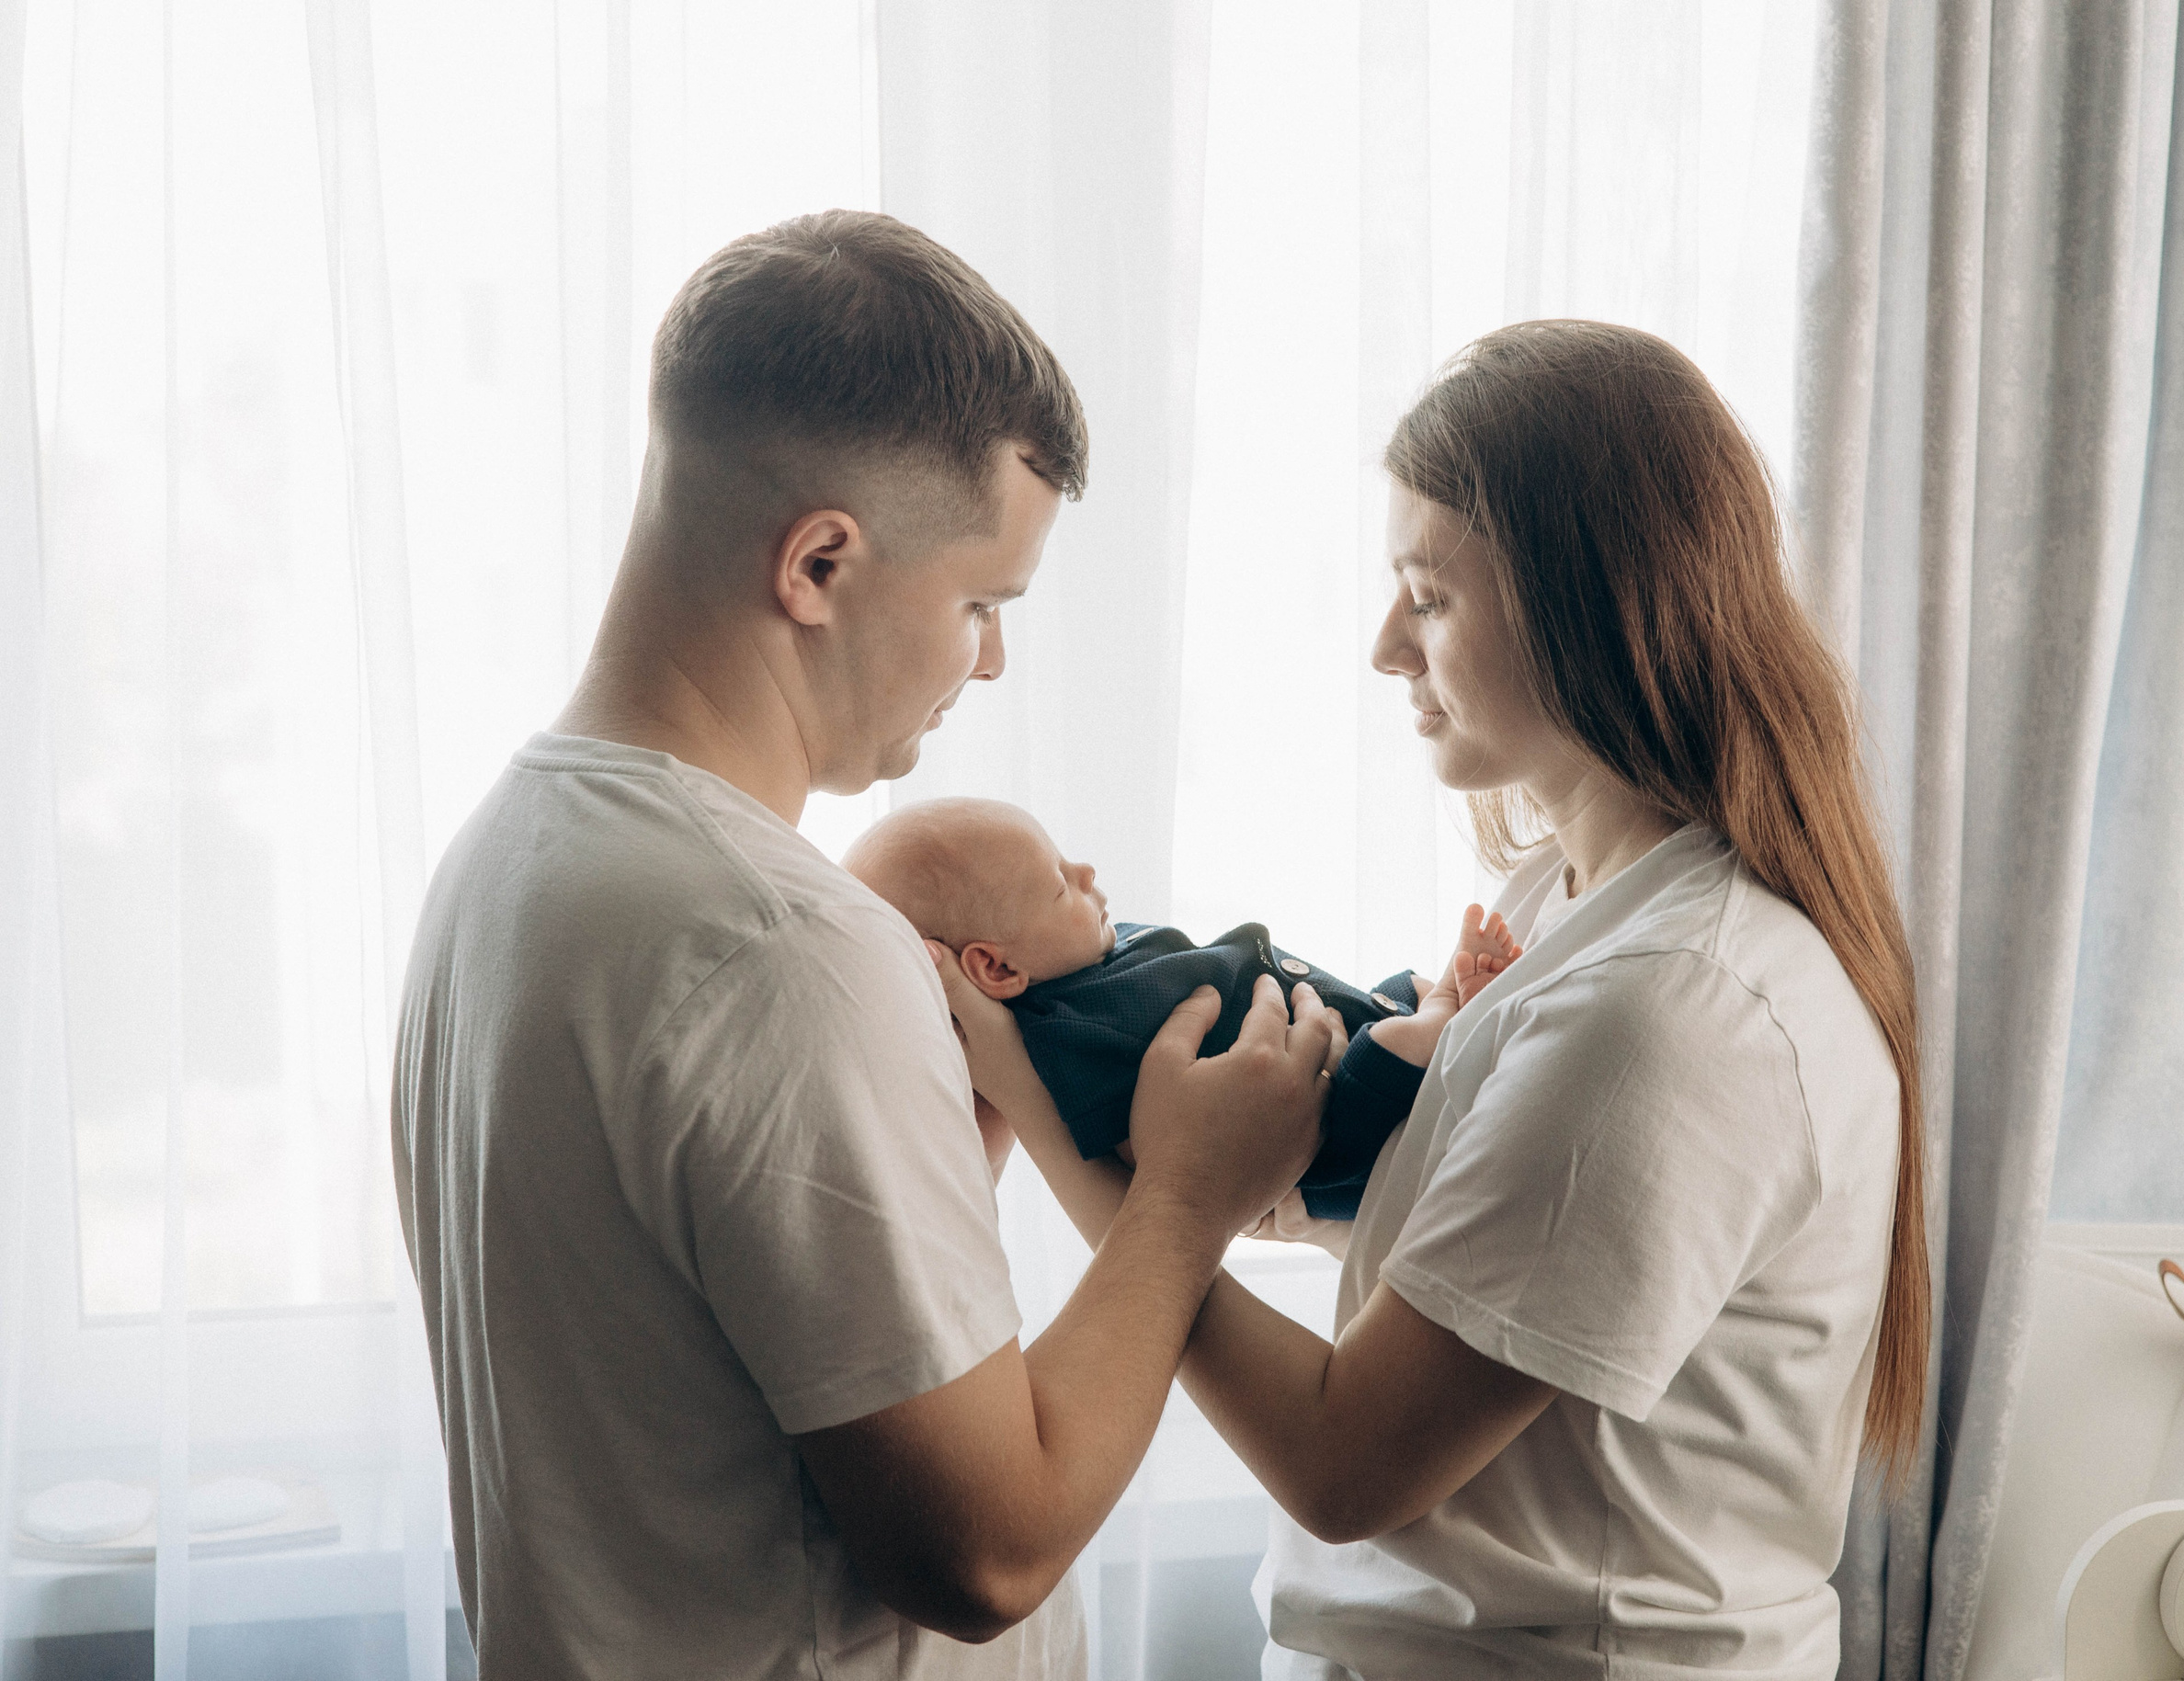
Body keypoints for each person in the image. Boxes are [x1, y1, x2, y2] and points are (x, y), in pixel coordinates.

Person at [391, 210, 1346, 1680]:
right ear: (820, 564)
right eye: (979, 603)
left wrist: (965, 1108)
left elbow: (741, 1336)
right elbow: (985, 1550)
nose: (994, 659)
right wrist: (1187, 1201)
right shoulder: (779, 946)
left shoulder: (511, 856)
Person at [941, 320, 1928, 1678]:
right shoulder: (1562, 906)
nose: (1385, 647)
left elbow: (1347, 1466)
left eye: (1431, 593)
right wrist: (1261, 1158)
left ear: (1596, 602)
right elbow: (1472, 1251)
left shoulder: (1671, 1016)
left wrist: (1129, 1181)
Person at [843, 796, 1521, 1219]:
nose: (1086, 874)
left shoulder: (1088, 957)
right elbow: (1136, 1143)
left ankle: (1438, 1005)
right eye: (1058, 886)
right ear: (995, 967)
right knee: (1398, 1040)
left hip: (1335, 1022)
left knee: (1394, 1001)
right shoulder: (1066, 1038)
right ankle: (1443, 1017)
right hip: (1333, 1127)